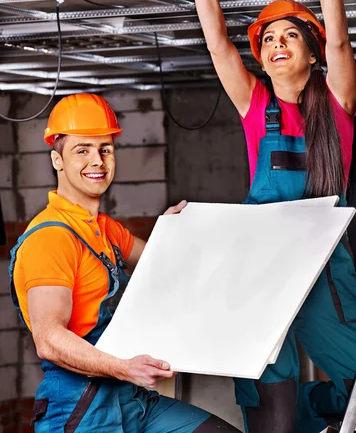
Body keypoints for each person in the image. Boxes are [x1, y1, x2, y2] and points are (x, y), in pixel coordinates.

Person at [181, 0, 356, 432]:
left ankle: (312, 404)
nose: (278, 45)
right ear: (261, 57)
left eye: (291, 36)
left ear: (312, 52)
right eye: (269, 39)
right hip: (260, 273)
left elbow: (343, 42)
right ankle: (288, 409)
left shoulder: (337, 106)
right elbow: (217, 44)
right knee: (272, 424)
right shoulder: (256, 107)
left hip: (326, 271)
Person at [9, 93, 240, 433]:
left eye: (105, 149)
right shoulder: (51, 238)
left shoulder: (105, 229)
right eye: (82, 150)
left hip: (131, 399)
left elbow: (159, 261)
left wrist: (173, 230)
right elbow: (49, 339)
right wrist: (123, 367)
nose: (97, 160)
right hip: (81, 409)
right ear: (57, 160)